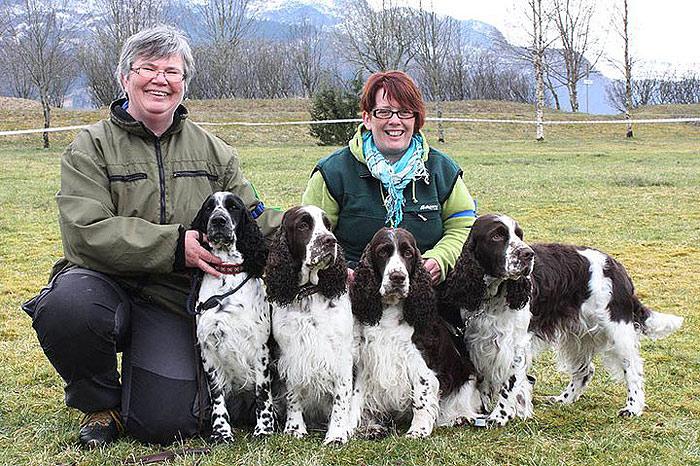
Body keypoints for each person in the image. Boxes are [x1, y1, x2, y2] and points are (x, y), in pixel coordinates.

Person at [21, 25, 281, 447]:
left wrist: (315, 236)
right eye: (148, 68)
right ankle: (101, 405)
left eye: (172, 72)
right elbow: (84, 230)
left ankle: (145, 394)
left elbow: (253, 218)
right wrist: (175, 245)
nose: (161, 79)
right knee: (67, 307)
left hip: (172, 298)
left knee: (165, 424)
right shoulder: (91, 146)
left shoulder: (215, 151)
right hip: (103, 283)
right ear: (125, 78)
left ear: (184, 84)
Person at [302, 70, 476, 284]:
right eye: (384, 112)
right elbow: (311, 235)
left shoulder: (443, 170)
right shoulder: (332, 173)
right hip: (354, 294)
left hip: (426, 293)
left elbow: (464, 228)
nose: (395, 121)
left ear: (416, 120)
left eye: (404, 112)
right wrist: (340, 272)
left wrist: (441, 259)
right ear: (367, 118)